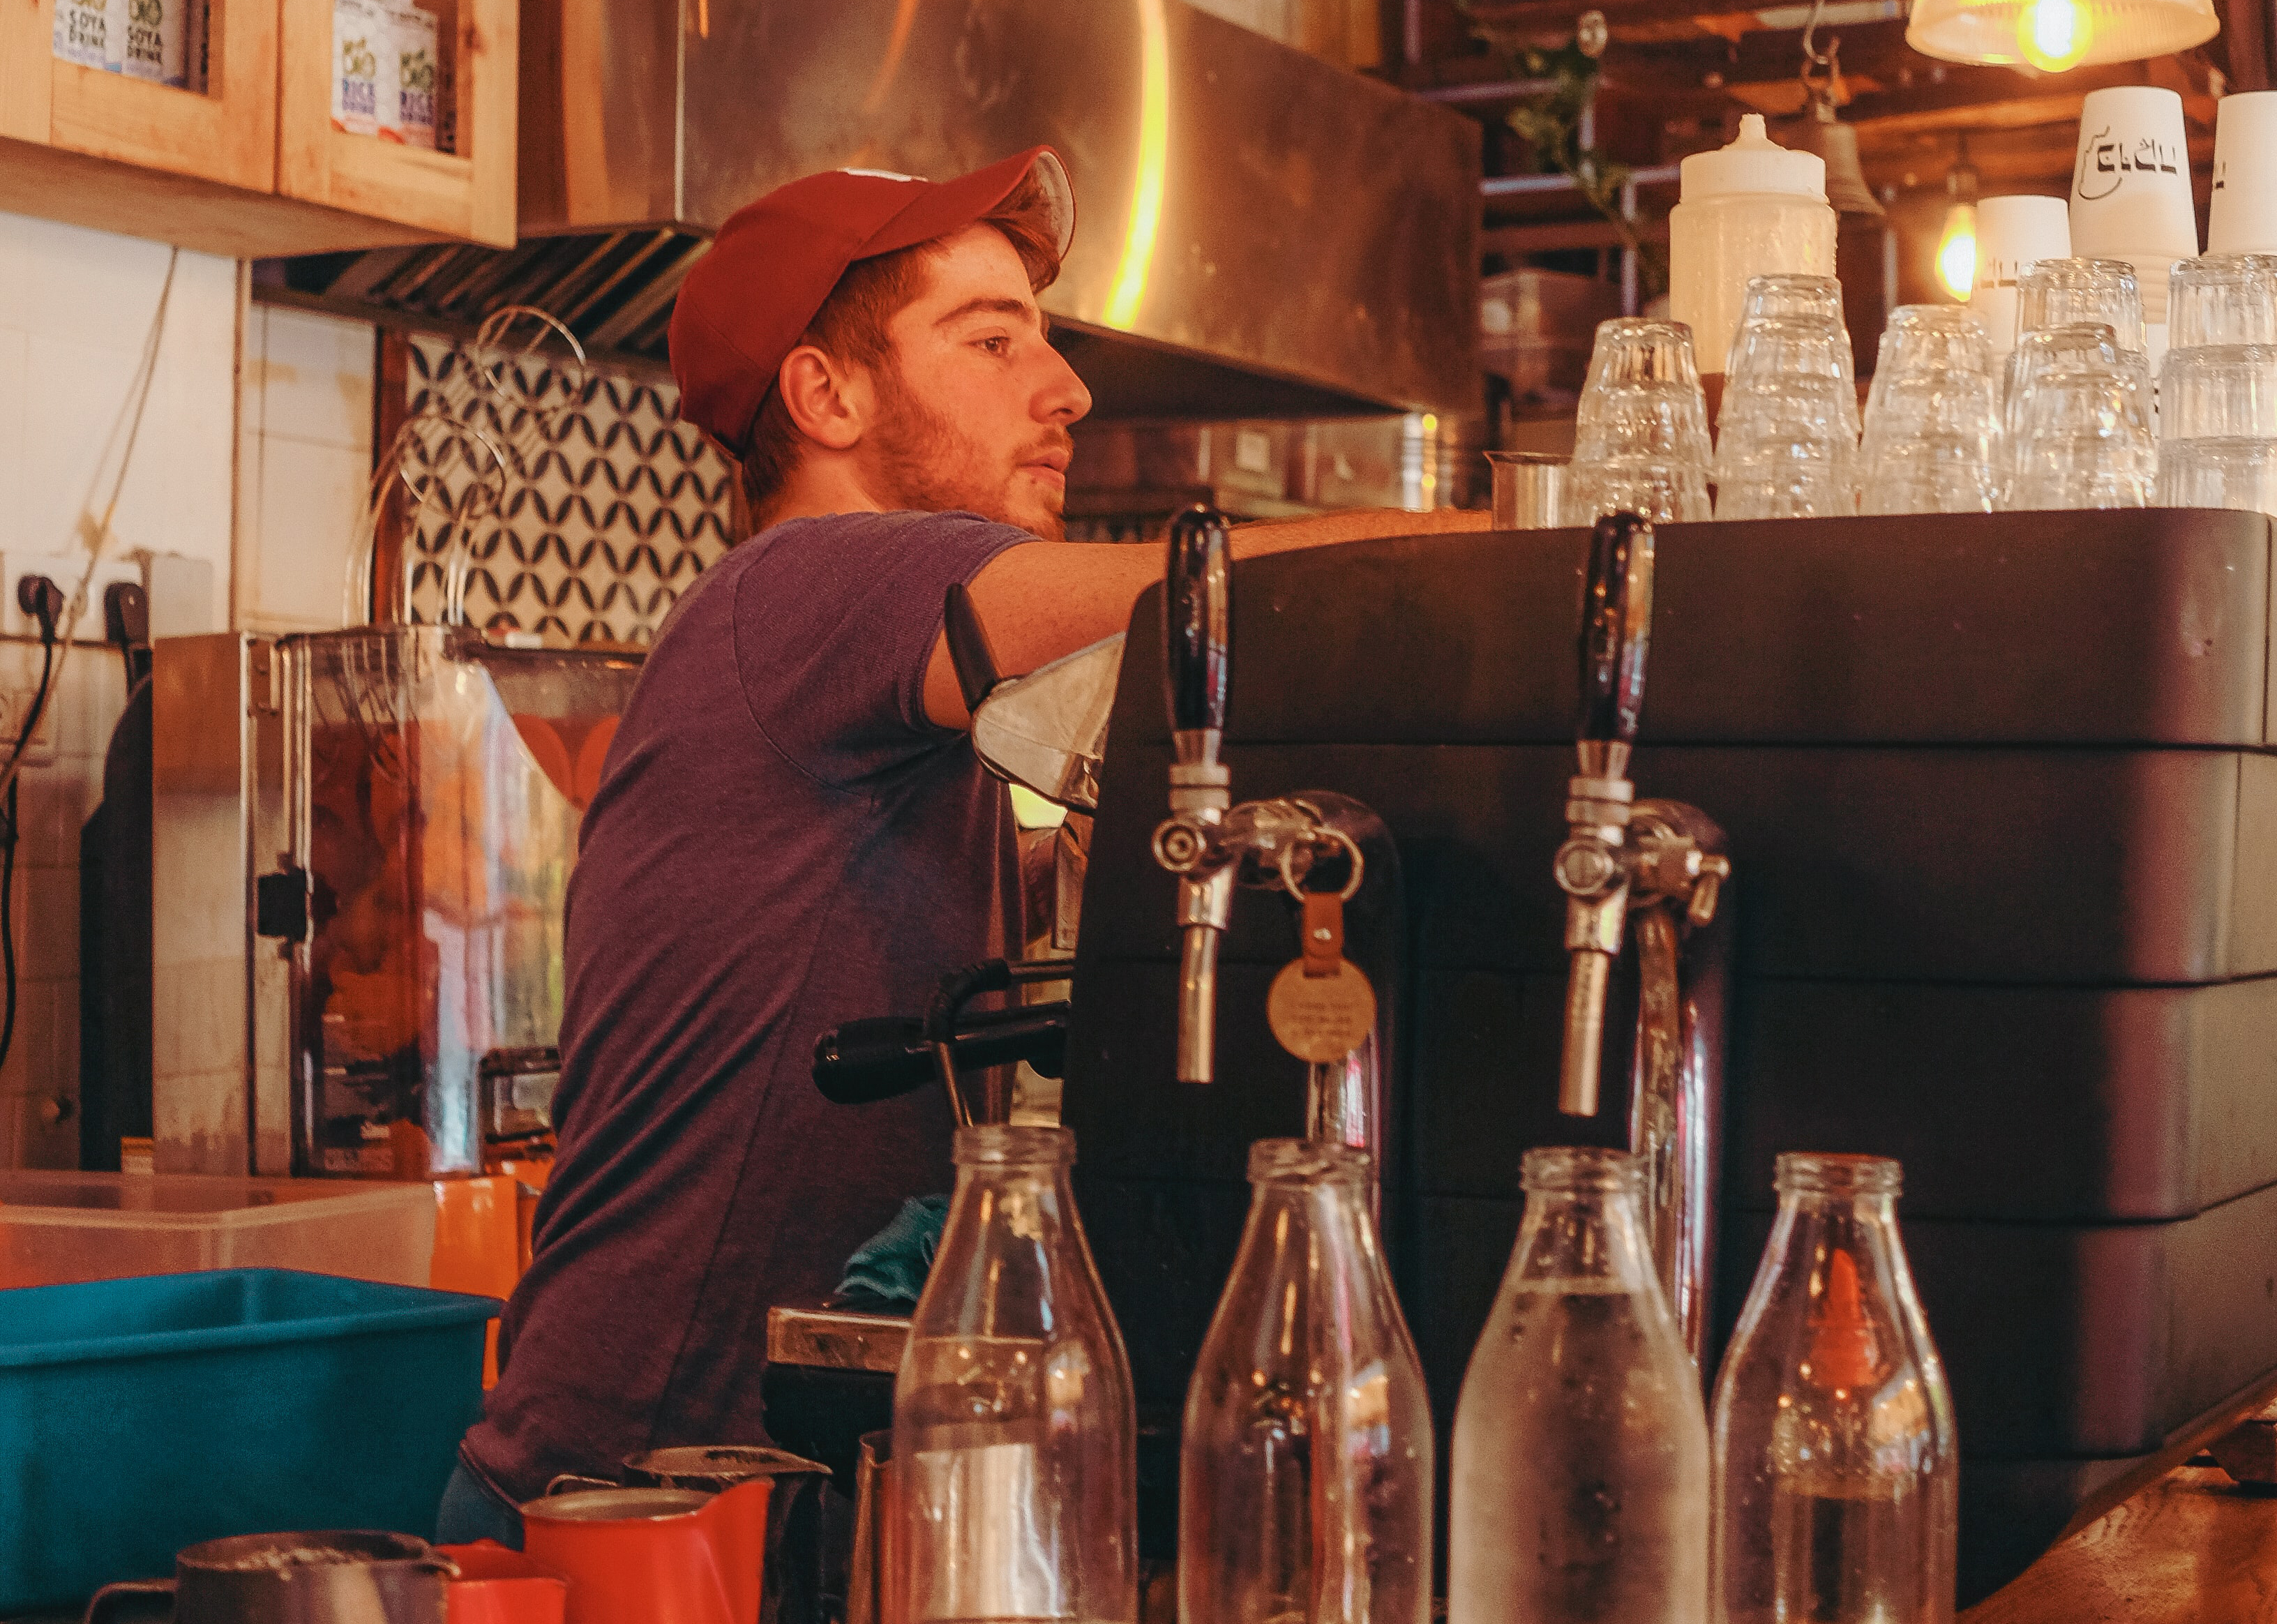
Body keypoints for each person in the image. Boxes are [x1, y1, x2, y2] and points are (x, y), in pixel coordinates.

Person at [437, 146, 1486, 1542]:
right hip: (624, 1518)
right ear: (827, 395)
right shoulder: (810, 582)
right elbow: (1200, 597)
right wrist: (1537, 543)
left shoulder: (888, 700)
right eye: (991, 341)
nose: (1067, 393)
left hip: (734, 1491)